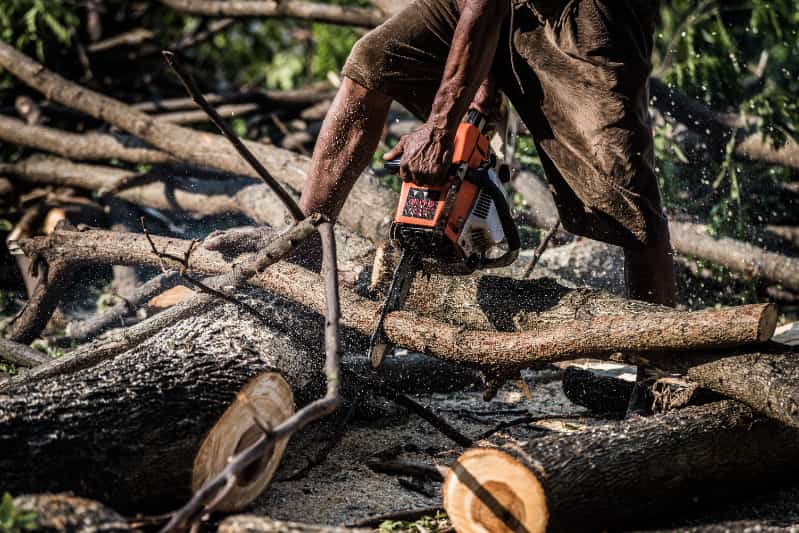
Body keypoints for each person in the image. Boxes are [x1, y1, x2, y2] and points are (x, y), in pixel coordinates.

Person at [298, 0, 675, 415]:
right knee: (373, 63)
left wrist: (441, 129)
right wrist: (477, 95)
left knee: (624, 191)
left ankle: (659, 378)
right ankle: (302, 255)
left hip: (580, 12)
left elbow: (485, 6)